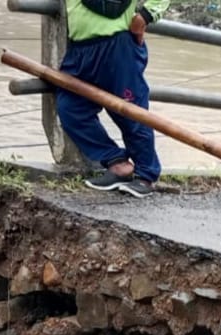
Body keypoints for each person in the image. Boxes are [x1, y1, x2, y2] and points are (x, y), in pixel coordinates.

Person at [57, 0, 168, 197]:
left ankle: (145, 176)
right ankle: (117, 163)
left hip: (118, 45)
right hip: (80, 49)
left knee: (131, 113)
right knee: (70, 108)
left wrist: (145, 16)